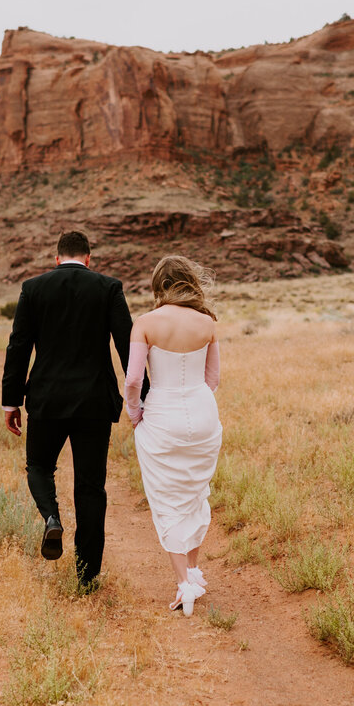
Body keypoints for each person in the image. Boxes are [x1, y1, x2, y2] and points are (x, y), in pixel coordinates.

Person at [1, 231, 142, 589]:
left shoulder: (34, 288)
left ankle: (51, 518)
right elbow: (128, 345)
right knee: (91, 487)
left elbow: (18, 346)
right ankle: (88, 576)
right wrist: (142, 397)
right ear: (89, 258)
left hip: (47, 401)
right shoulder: (109, 287)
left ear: (57, 257)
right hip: (94, 402)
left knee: (39, 467)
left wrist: (11, 400)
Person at [124, 255, 222, 616]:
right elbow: (213, 379)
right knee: (194, 493)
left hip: (162, 415)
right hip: (202, 412)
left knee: (167, 499)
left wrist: (135, 414)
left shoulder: (146, 323)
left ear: (158, 286)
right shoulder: (208, 323)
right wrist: (196, 406)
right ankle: (193, 572)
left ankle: (185, 584)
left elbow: (134, 380)